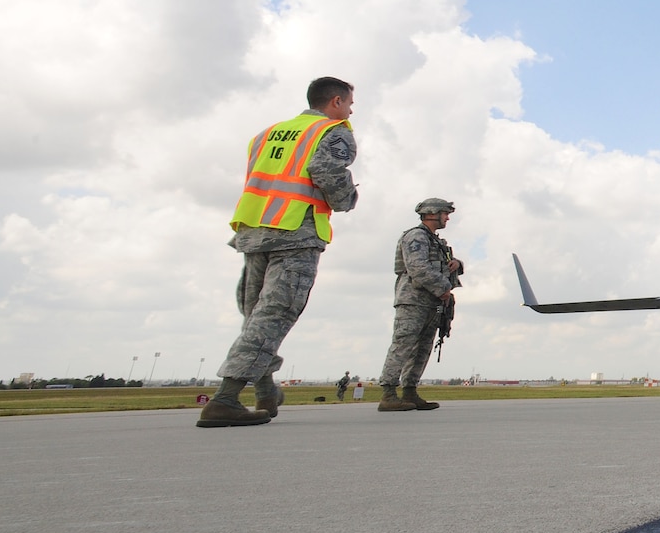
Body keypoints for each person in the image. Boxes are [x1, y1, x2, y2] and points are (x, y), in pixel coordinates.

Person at [198, 77, 360, 428]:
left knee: (256, 315)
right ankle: (225, 398)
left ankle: (265, 388)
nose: (350, 109)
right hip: (294, 231)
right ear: (334, 102)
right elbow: (326, 172)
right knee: (274, 315)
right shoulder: (332, 131)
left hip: (254, 229)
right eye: (349, 102)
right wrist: (347, 199)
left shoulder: (268, 133)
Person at [377, 198, 464, 411]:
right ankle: (388, 393)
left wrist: (457, 264)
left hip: (432, 303)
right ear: (432, 213)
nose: (447, 217)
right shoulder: (416, 237)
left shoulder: (435, 241)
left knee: (423, 348)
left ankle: (409, 391)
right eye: (445, 213)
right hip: (413, 302)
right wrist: (443, 287)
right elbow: (417, 268)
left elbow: (441, 264)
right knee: (403, 345)